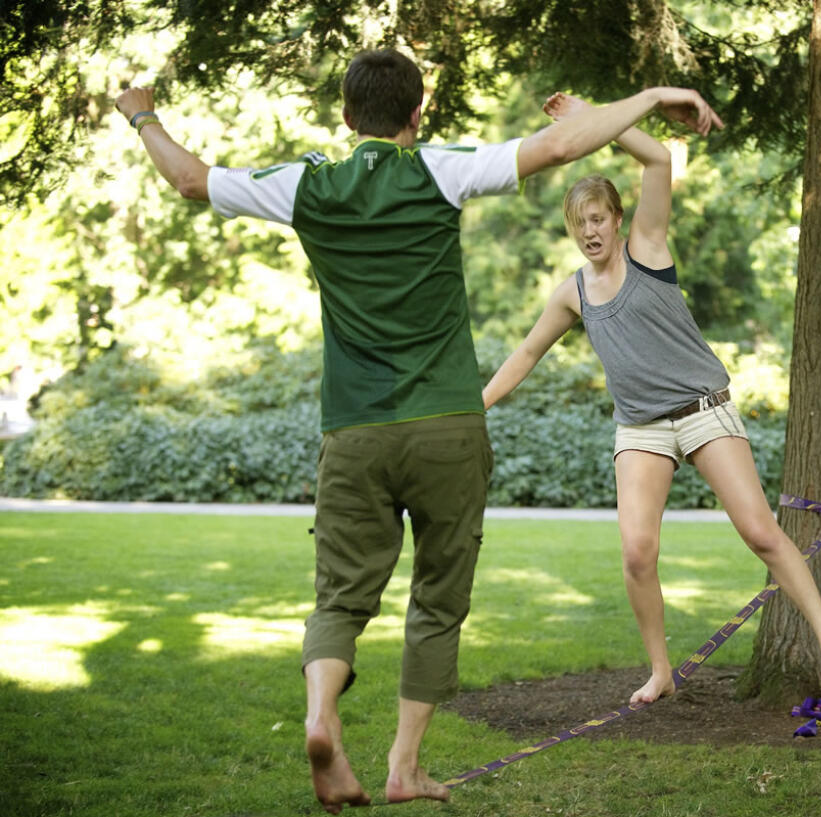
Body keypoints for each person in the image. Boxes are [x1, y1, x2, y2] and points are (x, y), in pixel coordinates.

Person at [115, 51, 722, 812]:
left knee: (340, 598)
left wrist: (143, 114)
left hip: (355, 430)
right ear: (416, 115)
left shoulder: (308, 183)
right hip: (446, 426)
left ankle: (320, 713)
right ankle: (404, 766)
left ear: (346, 118)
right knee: (437, 599)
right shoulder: (441, 168)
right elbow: (565, 145)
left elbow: (190, 179)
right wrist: (656, 93)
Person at [483, 93, 821, 707]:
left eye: (599, 218)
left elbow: (658, 161)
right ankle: (661, 671)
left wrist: (587, 119)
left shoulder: (647, 250)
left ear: (616, 216)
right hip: (640, 430)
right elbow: (525, 356)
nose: (590, 232)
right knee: (636, 552)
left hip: (703, 409)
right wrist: (479, 404)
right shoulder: (572, 294)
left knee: (761, 533)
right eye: (579, 225)